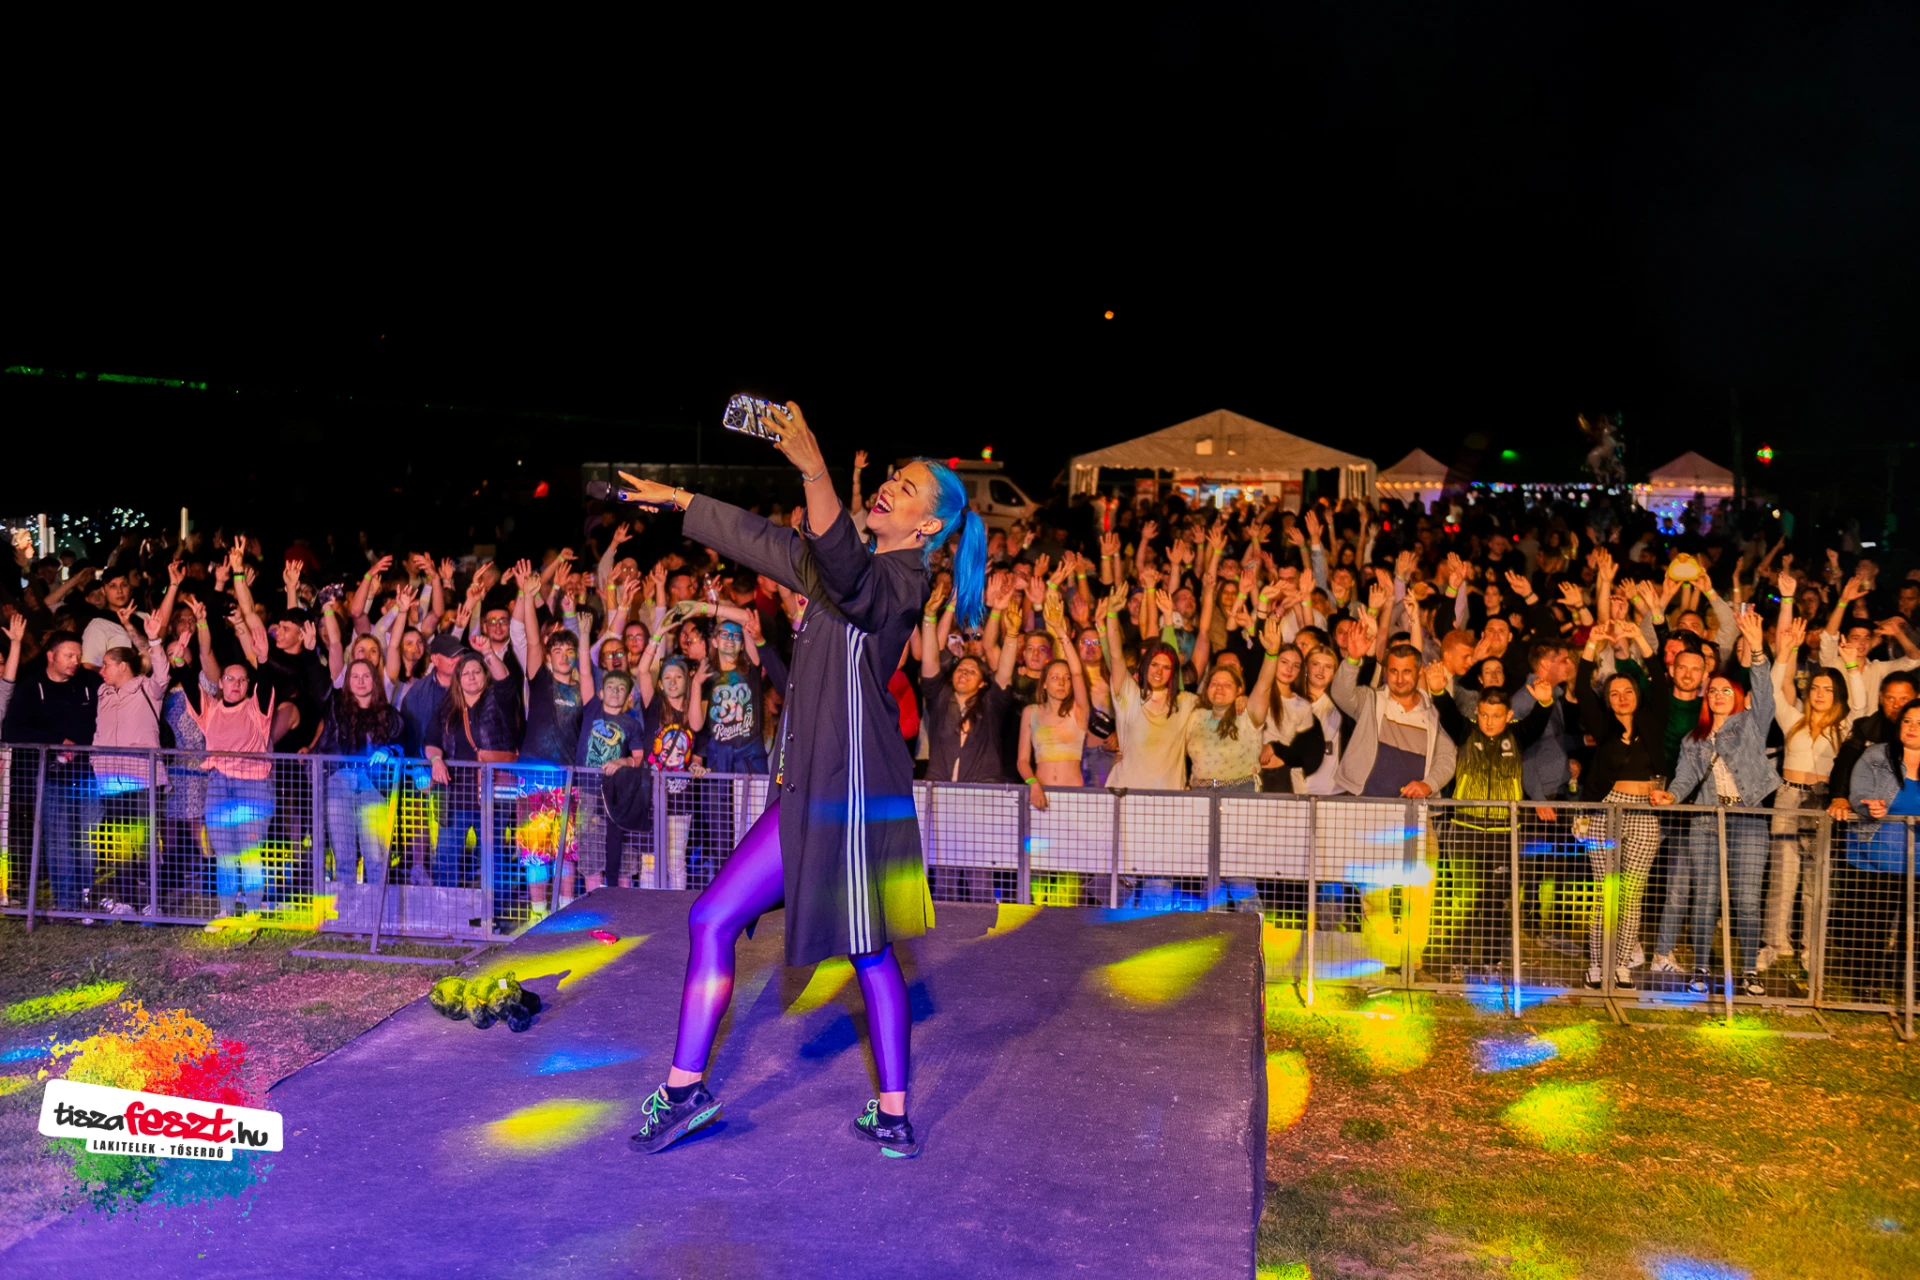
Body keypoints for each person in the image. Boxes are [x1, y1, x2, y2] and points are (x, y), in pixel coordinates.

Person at [613, 400, 985, 1160]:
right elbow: (768, 541)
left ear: (928, 526)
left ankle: (893, 1113)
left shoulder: (902, 584)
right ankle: (685, 1092)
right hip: (804, 795)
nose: (889, 487)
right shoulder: (844, 568)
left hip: (852, 802)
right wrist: (682, 501)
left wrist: (815, 469)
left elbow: (845, 566)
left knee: (869, 952)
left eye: (907, 488)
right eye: (892, 477)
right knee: (713, 918)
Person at [1653, 610, 1778, 996]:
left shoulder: (1751, 725)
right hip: (1706, 819)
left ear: (1737, 696)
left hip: (1748, 819)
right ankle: (1701, 968)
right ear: (1706, 698)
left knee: (1746, 899)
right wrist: (1672, 795)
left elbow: (1765, 692)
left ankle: (1749, 970)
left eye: (1726, 690)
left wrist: (1757, 649)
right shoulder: (1694, 739)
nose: (1719, 695)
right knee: (1704, 898)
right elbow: (1685, 778)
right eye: (1713, 691)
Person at [1427, 678, 1555, 976]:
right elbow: (1447, 712)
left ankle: (1491, 959)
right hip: (1465, 830)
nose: (1489, 721)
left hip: (1504, 833)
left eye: (1496, 716)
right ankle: (1459, 958)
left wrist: (1545, 701)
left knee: (1497, 900)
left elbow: (1537, 723)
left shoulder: (1517, 735)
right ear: (1477, 711)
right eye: (1484, 714)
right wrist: (1437, 690)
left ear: (1508, 715)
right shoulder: (1466, 731)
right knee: (1465, 898)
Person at [1762, 615, 1863, 977]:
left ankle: (1810, 947)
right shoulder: (1793, 721)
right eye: (1816, 687)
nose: (1819, 693)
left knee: (1816, 880)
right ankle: (1775, 943)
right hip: (1788, 798)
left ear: (1836, 695)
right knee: (1783, 875)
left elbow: (1861, 705)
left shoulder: (1843, 726)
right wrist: (1785, 653)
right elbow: (1773, 691)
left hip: (1822, 802)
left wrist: (1851, 665)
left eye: (1827, 689)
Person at [1572, 621, 1667, 990]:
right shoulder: (1602, 726)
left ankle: (1622, 964)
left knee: (1632, 894)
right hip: (1608, 810)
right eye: (1614, 693)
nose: (1622, 697)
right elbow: (1582, 688)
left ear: (1637, 695)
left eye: (1628, 691)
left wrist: (1639, 638)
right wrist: (1592, 644)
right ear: (1608, 700)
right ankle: (1598, 964)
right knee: (1607, 893)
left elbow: (1660, 681)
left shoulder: (1652, 721)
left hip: (1645, 811)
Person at [87, 607, 174, 916]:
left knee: (146, 841)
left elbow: (162, 672)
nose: (101, 671)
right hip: (110, 780)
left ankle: (152, 902)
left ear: (123, 666)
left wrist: (154, 640)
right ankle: (124, 900)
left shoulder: (148, 688)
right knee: (120, 843)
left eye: (106, 665)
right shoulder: (102, 692)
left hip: (143, 778)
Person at [422, 644, 523, 893]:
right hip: (456, 794)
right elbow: (431, 742)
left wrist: (488, 653)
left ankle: (494, 909)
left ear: (485, 675)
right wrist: (436, 760)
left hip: (493, 794)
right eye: (465, 673)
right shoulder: (447, 708)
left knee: (492, 857)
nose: (471, 677)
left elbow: (505, 682)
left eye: (477, 671)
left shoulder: (499, 701)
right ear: (458, 679)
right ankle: (446, 906)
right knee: (446, 855)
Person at [185, 650, 277, 921]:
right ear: (220, 683)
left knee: (249, 852)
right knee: (224, 853)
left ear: (248, 685)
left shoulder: (255, 710)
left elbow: (266, 686)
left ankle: (253, 910)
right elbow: (190, 686)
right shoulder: (211, 710)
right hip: (219, 785)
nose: (236, 684)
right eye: (230, 679)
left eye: (242, 680)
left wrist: (263, 660)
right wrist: (178, 661)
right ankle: (226, 909)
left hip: (253, 787)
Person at [1841, 698, 1920, 1002]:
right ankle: (1866, 986)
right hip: (1877, 858)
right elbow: (1858, 793)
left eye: (1919, 723)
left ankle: (1909, 986)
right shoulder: (1877, 755)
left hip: (1917, 862)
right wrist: (1868, 806)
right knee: (1872, 925)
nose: (1912, 727)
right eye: (1907, 721)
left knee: (1913, 929)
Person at [308, 657, 406, 889]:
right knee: (343, 854)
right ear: (348, 682)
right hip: (340, 780)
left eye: (366, 676)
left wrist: (388, 750)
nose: (360, 681)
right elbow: (323, 743)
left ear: (375, 680)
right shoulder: (336, 710)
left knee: (375, 855)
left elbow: (403, 745)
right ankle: (347, 907)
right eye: (355, 676)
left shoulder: (389, 714)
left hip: (373, 783)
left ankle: (376, 909)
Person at [1185, 616, 1285, 791]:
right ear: (1207, 688)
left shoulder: (1248, 714)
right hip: (1201, 792)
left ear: (1239, 689)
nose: (1219, 688)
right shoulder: (1195, 715)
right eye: (1214, 683)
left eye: (1227, 685)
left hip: (1239, 792)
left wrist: (1272, 653)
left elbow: (1264, 685)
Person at [1017, 597, 1090, 810]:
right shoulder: (1030, 712)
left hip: (1074, 797)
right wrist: (1033, 784)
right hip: (1040, 795)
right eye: (1055, 678)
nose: (1062, 682)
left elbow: (1077, 672)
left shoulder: (1078, 711)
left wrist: (1060, 630)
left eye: (1066, 678)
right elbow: (1022, 760)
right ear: (1044, 683)